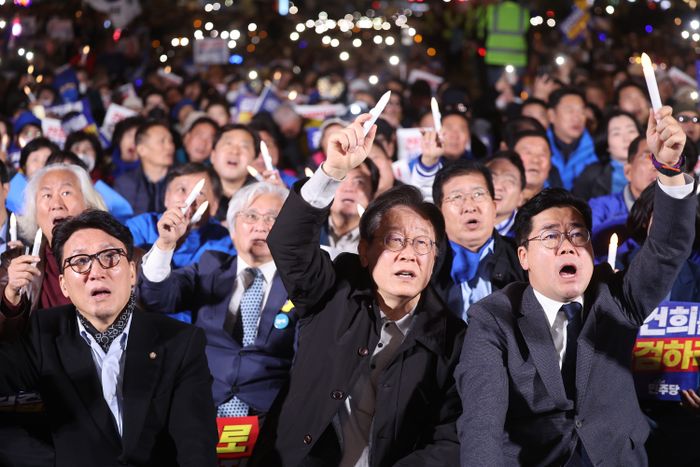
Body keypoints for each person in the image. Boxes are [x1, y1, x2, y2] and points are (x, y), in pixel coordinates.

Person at [455, 106, 696, 465]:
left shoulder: (616, 297)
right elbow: (481, 424)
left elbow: (667, 247)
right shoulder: (492, 318)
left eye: (578, 235)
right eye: (551, 235)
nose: (567, 245)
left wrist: (669, 170)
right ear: (524, 256)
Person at [251, 114, 465, 466]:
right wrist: (331, 172)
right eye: (394, 240)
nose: (409, 253)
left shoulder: (452, 337)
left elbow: (452, 437)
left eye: (423, 243)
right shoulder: (335, 288)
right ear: (364, 251)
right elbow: (288, 243)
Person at [0, 210, 218, 466]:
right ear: (63, 286)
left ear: (133, 273)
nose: (96, 272)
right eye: (80, 262)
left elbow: (196, 445)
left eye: (110, 257)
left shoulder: (180, 341)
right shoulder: (45, 331)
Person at [138, 182, 298, 420]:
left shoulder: (300, 283)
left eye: (273, 218)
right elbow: (155, 298)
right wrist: (165, 244)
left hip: (272, 414)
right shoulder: (209, 266)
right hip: (202, 407)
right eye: (251, 216)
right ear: (232, 229)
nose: (261, 226)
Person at [431, 159, 526, 322]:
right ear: (439, 214)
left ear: (494, 207)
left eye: (478, 194)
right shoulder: (425, 262)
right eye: (456, 197)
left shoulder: (523, 258)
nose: (469, 206)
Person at [573, 110, 641, 200]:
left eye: (631, 131)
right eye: (616, 133)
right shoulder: (591, 174)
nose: (626, 139)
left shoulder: (656, 168)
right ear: (606, 143)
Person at [320, 158, 379, 258]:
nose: (348, 188)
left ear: (372, 196)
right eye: (341, 179)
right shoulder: (307, 228)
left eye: (359, 182)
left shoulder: (377, 243)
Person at [114, 121, 175, 215]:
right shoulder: (124, 184)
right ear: (142, 150)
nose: (170, 147)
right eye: (162, 141)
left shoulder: (182, 180)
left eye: (170, 141)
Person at [545, 87, 597, 190]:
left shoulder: (597, 151)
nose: (577, 117)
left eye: (582, 111)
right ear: (551, 115)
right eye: (570, 110)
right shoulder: (538, 150)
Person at [210, 124, 259, 222]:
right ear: (213, 155)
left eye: (244, 147)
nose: (235, 151)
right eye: (228, 144)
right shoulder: (196, 191)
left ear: (254, 160)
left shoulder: (262, 196)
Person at [485, 150, 526, 237]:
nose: (497, 186)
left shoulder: (528, 236)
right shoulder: (453, 227)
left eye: (509, 181)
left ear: (520, 198)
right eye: (491, 178)